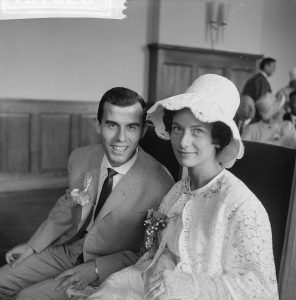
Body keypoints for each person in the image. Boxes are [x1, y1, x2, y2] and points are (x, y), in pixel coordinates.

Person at [78, 74, 278, 299]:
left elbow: (262, 292)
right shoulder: (176, 192)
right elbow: (152, 257)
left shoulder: (239, 204)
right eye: (177, 129)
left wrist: (190, 285)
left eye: (197, 131)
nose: (183, 142)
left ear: (218, 139)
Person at [0, 87, 174, 300]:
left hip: (110, 266)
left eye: (131, 127)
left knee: (27, 297)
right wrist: (32, 245)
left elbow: (152, 253)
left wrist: (96, 269)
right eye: (112, 125)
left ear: (142, 131)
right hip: (68, 249)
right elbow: (65, 209)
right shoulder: (80, 158)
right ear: (98, 125)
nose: (121, 138)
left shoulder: (160, 183)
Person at [242, 57, 276, 121]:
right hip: (256, 117)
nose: (274, 69)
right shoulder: (260, 80)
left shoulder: (258, 79)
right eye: (273, 66)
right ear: (266, 66)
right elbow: (261, 102)